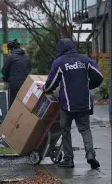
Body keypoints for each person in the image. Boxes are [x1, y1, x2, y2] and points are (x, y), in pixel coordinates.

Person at [37, 38, 103, 169]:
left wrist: (44, 89)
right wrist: (88, 85)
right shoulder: (85, 60)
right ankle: (91, 155)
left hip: (68, 104)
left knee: (65, 129)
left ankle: (69, 159)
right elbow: (99, 76)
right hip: (84, 101)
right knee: (85, 129)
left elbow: (52, 83)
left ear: (60, 49)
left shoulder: (59, 62)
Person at [1, 39, 32, 108]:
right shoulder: (26, 56)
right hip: (25, 84)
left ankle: (13, 118)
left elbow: (4, 71)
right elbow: (29, 69)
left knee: (13, 104)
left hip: (14, 85)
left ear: (12, 48)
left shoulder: (10, 57)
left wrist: (7, 78)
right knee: (23, 103)